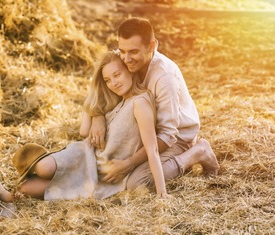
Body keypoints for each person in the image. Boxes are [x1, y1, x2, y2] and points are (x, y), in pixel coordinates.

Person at [14, 50, 170, 200]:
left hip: (100, 176)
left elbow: (152, 149)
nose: (113, 83)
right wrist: (97, 113)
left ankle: (52, 173)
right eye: (107, 80)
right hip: (85, 156)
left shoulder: (140, 103)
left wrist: (161, 192)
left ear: (130, 71)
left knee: (26, 188)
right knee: (42, 169)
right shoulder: (118, 100)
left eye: (117, 75)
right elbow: (84, 131)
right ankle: (37, 163)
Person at [88, 17, 219, 189]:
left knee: (138, 183)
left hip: (176, 137)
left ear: (152, 46)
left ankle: (198, 152)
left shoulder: (165, 78)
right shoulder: (125, 57)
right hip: (143, 130)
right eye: (122, 51)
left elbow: (167, 135)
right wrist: (96, 114)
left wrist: (129, 163)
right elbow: (98, 81)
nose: (126, 59)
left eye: (133, 52)